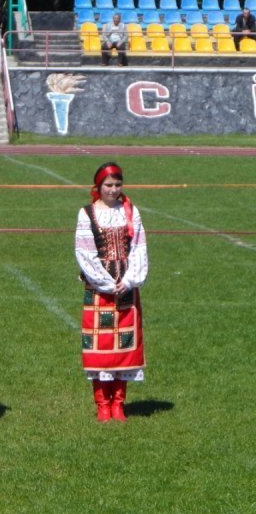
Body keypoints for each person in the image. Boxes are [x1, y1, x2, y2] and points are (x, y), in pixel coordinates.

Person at [75, 162, 148, 422]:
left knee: (124, 345)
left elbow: (139, 246)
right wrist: (105, 282)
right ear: (98, 186)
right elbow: (84, 251)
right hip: (99, 287)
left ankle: (119, 403)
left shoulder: (130, 212)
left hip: (126, 287)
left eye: (117, 185)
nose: (113, 190)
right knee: (99, 343)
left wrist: (129, 280)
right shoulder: (87, 213)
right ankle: (102, 404)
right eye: (108, 185)